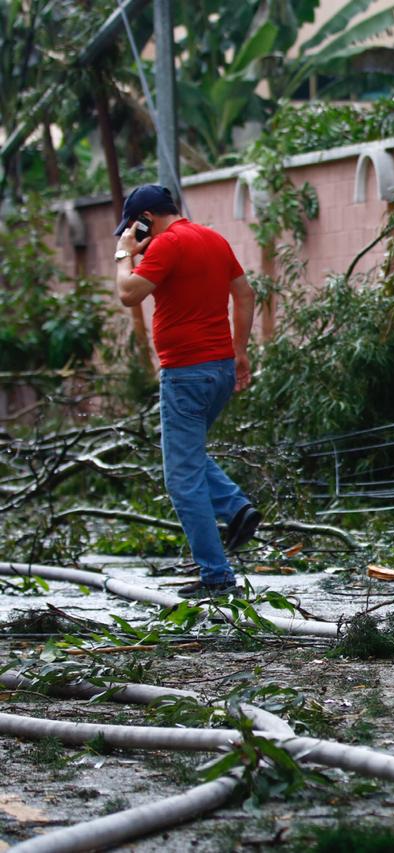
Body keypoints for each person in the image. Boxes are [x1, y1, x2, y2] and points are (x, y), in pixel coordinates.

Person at [112, 184, 261, 598]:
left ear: (145, 219)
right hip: (218, 371)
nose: (135, 237)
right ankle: (236, 507)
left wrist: (124, 252)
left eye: (134, 227)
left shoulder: (166, 244)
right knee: (190, 459)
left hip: (186, 373)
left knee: (181, 477)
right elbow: (245, 294)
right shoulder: (213, 238)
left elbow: (128, 294)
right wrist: (240, 351)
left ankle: (216, 576)